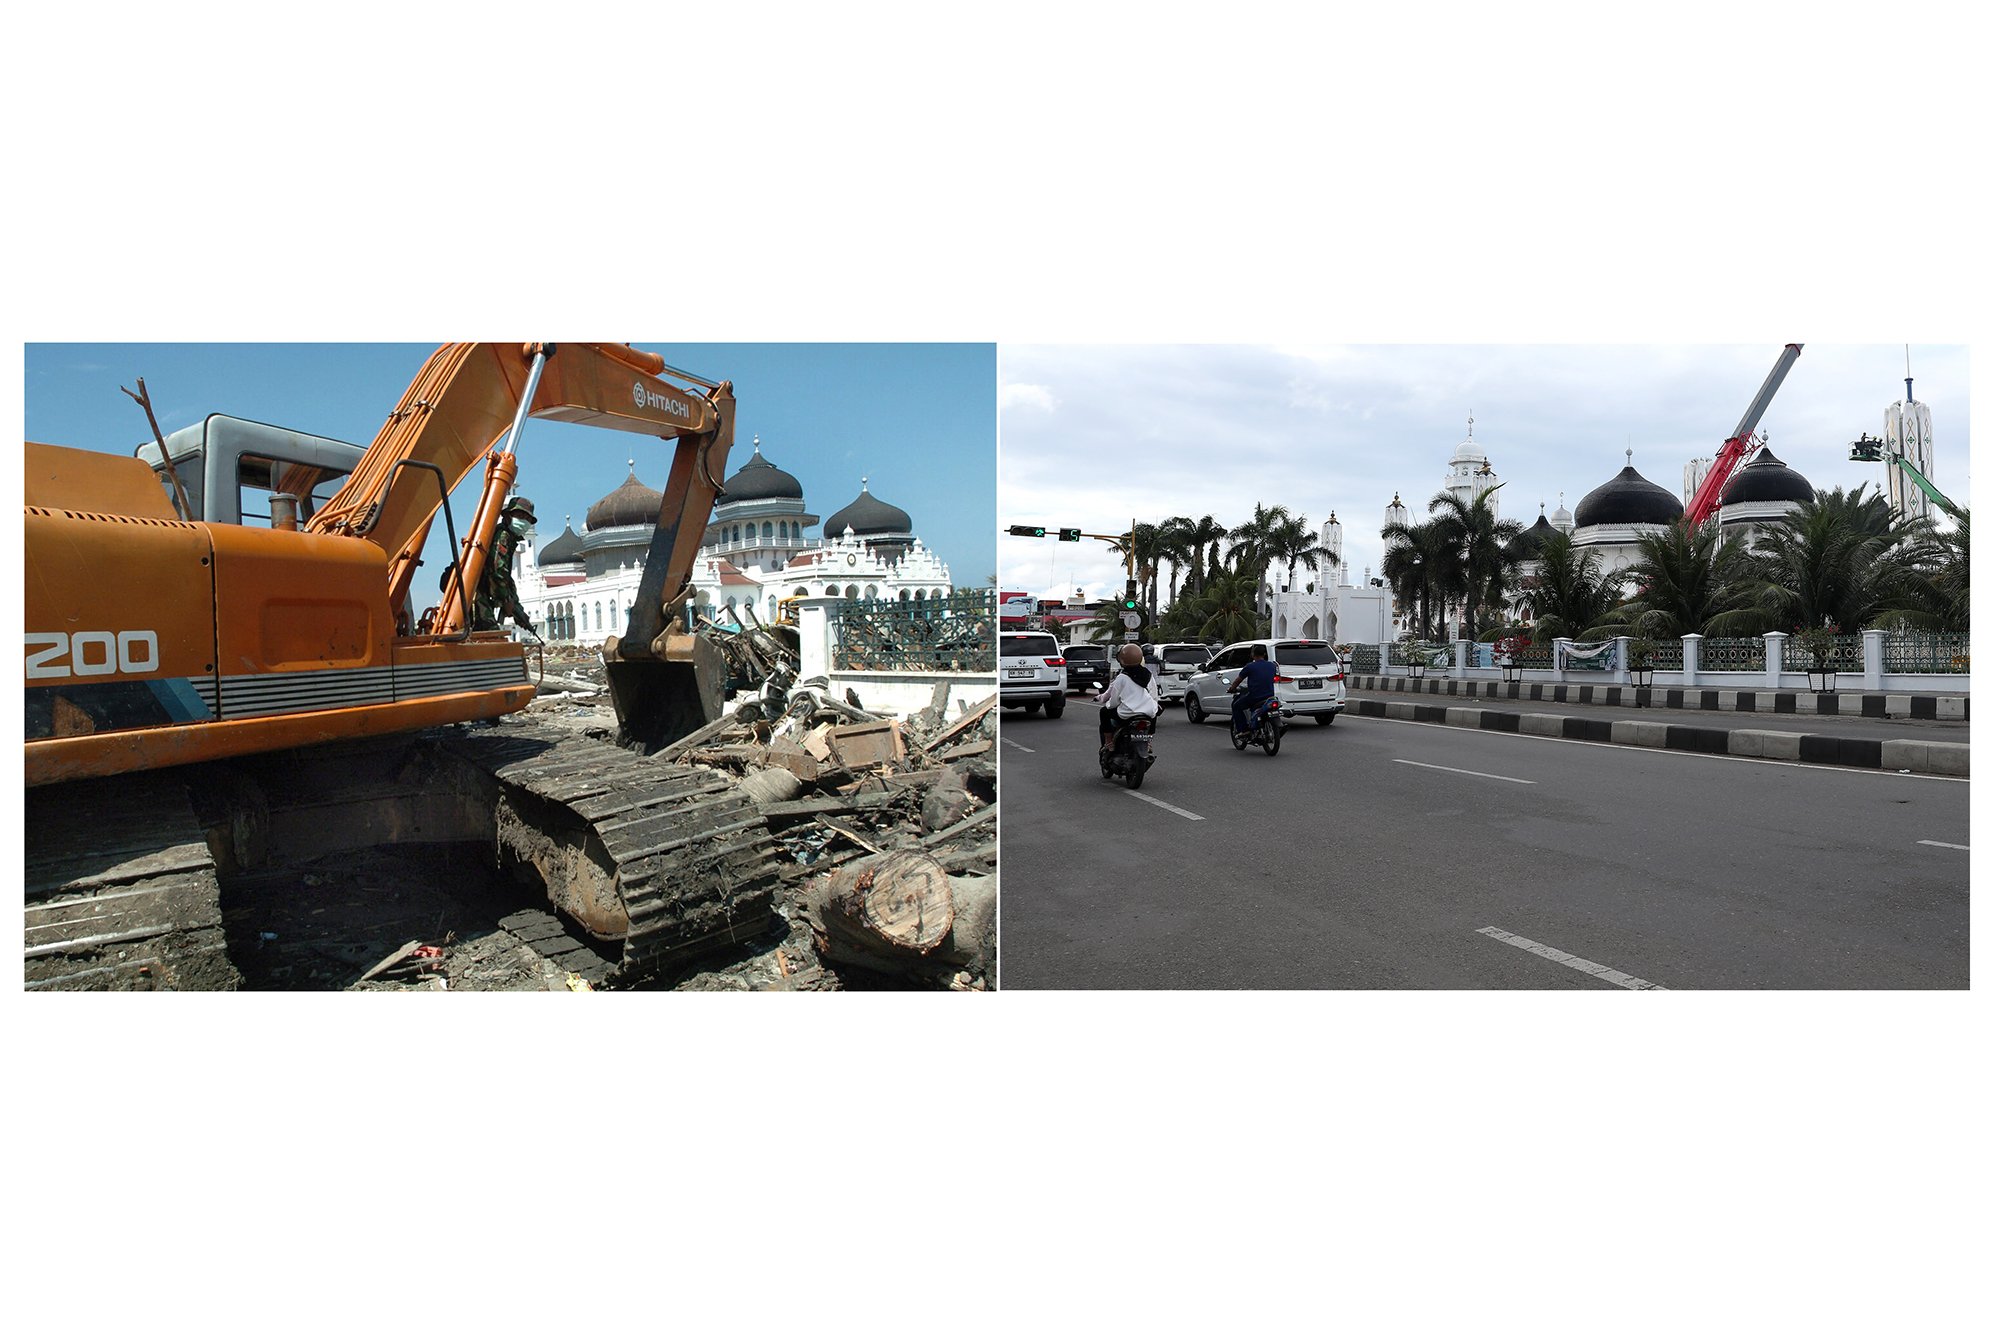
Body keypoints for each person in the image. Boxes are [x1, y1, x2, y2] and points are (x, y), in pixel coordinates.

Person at [443, 495, 538, 634]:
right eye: (520, 516)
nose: (524, 521)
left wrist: (516, 607)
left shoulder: (508, 538)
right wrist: (506, 600)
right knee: (488, 633)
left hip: (476, 589)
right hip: (473, 590)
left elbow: (505, 578)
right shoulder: (503, 536)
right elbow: (498, 571)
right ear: (508, 516)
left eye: (528, 519)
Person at [1094, 642, 1161, 751]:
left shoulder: (1122, 677)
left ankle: (1109, 742)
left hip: (1127, 713)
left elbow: (1114, 701)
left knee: (1104, 712)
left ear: (1122, 660)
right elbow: (1154, 696)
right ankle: (1148, 741)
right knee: (1154, 712)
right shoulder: (1149, 675)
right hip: (1148, 713)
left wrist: (1108, 705)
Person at [1228, 643, 1279, 737]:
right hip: (1270, 696)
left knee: (1236, 706)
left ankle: (1243, 730)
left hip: (1255, 697)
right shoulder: (1272, 666)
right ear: (1264, 654)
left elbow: (1238, 680)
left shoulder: (1250, 666)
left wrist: (1232, 688)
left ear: (1253, 655)